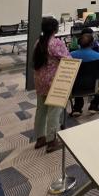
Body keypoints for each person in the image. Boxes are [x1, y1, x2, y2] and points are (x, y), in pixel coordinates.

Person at [32, 17, 70, 153]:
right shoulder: (56, 43)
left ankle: (40, 138)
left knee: (41, 110)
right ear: (55, 29)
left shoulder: (38, 42)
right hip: (53, 82)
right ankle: (52, 141)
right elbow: (68, 59)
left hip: (39, 81)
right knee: (54, 111)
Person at [70, 31, 99, 116]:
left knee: (77, 78)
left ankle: (77, 108)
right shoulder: (98, 56)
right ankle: (94, 105)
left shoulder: (70, 56)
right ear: (92, 44)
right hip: (94, 85)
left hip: (75, 86)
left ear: (79, 43)